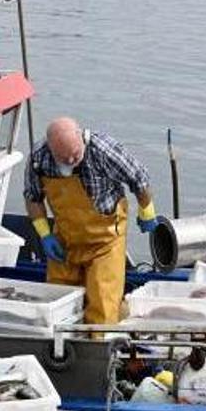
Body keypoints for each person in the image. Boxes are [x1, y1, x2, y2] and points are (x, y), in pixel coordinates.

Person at [23, 117, 157, 325]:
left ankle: (101, 347)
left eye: (75, 154)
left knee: (103, 308)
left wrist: (147, 211)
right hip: (64, 241)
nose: (70, 161)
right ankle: (60, 352)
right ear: (51, 149)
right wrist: (45, 235)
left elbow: (139, 179)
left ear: (81, 139)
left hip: (105, 242)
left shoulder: (103, 150)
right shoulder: (38, 158)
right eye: (63, 157)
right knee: (57, 307)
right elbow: (33, 197)